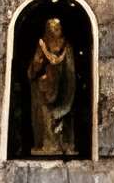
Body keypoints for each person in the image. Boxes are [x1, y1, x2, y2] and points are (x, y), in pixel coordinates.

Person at [23, 10, 82, 156]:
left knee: (57, 117)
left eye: (57, 28)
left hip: (60, 87)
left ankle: (62, 144)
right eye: (53, 29)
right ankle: (51, 144)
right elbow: (36, 66)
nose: (55, 32)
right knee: (46, 119)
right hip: (47, 87)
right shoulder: (43, 44)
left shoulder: (65, 47)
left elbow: (70, 69)